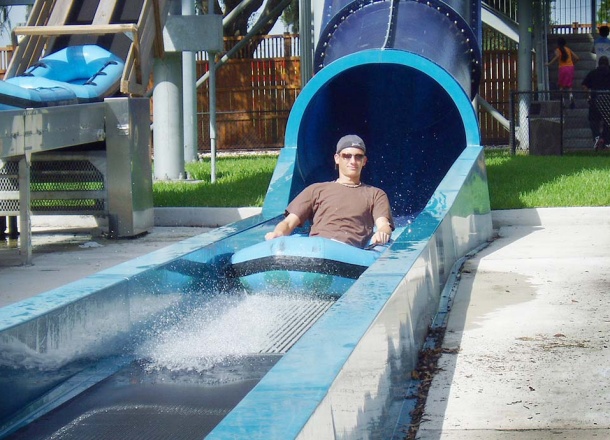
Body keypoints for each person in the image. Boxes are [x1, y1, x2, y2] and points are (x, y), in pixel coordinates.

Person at [265, 134, 394, 249]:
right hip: (316, 248)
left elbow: (383, 224)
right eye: (347, 156)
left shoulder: (375, 194)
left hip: (349, 252)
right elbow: (288, 222)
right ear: (337, 158)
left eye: (358, 157)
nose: (353, 161)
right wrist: (278, 233)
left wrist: (382, 233)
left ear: (364, 161)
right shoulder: (316, 190)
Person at [582, 55, 610, 150]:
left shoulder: (593, 73)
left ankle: (597, 137)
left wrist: (588, 96)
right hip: (608, 102)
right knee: (607, 121)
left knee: (593, 120)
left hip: (595, 101)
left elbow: (585, 86)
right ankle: (606, 141)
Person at [547, 37, 580, 108]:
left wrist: (549, 63)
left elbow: (557, 56)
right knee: (569, 85)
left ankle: (563, 101)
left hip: (562, 68)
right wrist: (572, 64)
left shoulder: (557, 50)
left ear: (558, 43)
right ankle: (571, 97)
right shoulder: (568, 49)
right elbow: (577, 58)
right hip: (570, 67)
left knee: (561, 85)